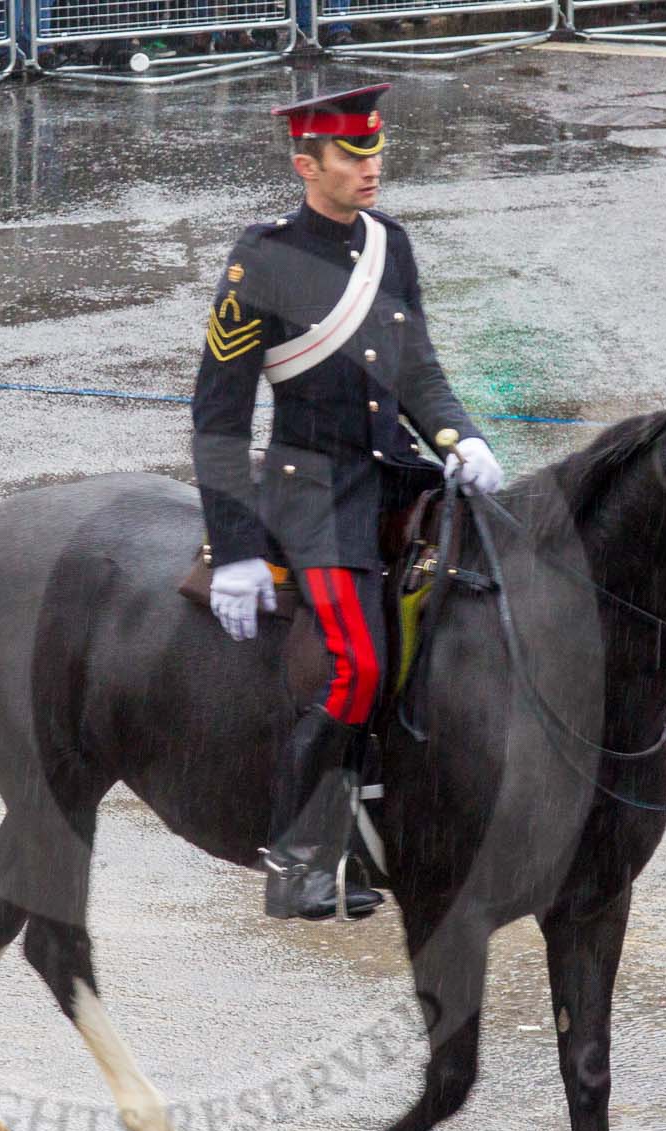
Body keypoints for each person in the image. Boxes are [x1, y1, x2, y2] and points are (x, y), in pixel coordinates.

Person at [191, 83, 503, 923]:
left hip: (393, 482)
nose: (372, 167)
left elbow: (417, 369)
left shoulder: (389, 246)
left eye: (376, 152)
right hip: (311, 494)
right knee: (358, 663)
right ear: (308, 166)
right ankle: (296, 853)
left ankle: (371, 834)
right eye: (354, 157)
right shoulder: (261, 261)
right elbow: (219, 418)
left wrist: (459, 437)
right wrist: (236, 544)